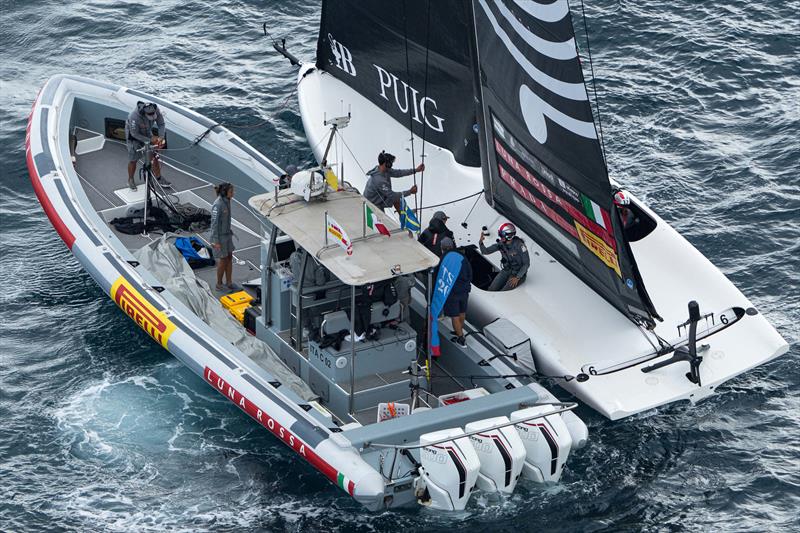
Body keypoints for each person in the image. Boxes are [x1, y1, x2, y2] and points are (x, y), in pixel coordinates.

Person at [126, 101, 170, 191]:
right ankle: (130, 179)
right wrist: (150, 140)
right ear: (143, 113)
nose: (152, 117)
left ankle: (158, 177)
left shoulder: (156, 110)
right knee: (133, 159)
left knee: (154, 156)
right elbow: (134, 134)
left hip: (147, 132)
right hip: (134, 136)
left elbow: (161, 124)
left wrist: (161, 137)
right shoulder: (133, 117)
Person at [440, 237, 472, 347]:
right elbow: (470, 272)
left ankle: (461, 338)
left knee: (454, 316)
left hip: (452, 293)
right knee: (462, 312)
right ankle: (459, 330)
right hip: (464, 290)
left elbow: (441, 277)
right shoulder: (462, 257)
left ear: (442, 248)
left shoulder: (443, 259)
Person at [479, 222, 530, 291]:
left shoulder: (520, 246)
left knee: (503, 292)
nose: (501, 238)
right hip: (506, 271)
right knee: (492, 289)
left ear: (509, 235)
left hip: (517, 274)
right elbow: (485, 251)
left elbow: (526, 264)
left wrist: (518, 277)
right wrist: (481, 242)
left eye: (502, 235)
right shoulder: (501, 244)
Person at [210, 182, 235, 291]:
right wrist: (216, 241)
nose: (233, 193)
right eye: (231, 192)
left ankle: (229, 282)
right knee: (223, 260)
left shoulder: (227, 201)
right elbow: (214, 225)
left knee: (230, 256)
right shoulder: (218, 205)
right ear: (225, 192)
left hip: (227, 235)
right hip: (219, 237)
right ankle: (219, 284)